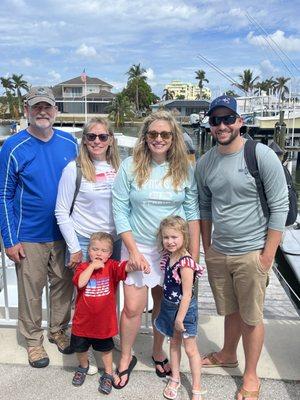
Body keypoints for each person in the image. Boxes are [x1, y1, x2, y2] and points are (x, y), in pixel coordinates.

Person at [195, 95, 289, 400]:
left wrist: (267, 255)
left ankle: (250, 375)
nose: (221, 125)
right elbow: (205, 207)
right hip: (220, 251)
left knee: (251, 316)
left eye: (227, 119)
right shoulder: (206, 162)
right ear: (210, 126)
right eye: (215, 120)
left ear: (240, 121)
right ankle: (227, 353)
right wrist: (207, 249)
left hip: (252, 251)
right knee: (230, 310)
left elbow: (279, 206)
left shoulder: (260, 155)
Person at [112, 110, 200, 388]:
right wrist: (133, 252)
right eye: (153, 134)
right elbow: (120, 210)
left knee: (165, 306)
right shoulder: (129, 166)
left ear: (173, 138)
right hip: (136, 247)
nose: (159, 139)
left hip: (172, 252)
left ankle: (157, 350)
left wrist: (192, 258)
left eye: (165, 134)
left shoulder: (184, 168)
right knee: (133, 308)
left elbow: (192, 211)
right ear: (145, 137)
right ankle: (125, 358)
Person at [0, 87, 78, 368]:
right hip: (29, 235)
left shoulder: (70, 143)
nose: (42, 112)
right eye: (36, 107)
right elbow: (4, 195)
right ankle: (33, 341)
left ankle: (58, 330)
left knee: (62, 287)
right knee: (31, 292)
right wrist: (9, 239)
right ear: (26, 110)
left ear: (56, 111)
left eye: (47, 107)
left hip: (63, 234)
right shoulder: (13, 147)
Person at [71, 232, 149, 394]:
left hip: (104, 323)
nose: (99, 253)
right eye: (95, 249)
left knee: (106, 350)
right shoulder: (83, 267)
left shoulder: (112, 266)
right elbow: (80, 283)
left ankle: (107, 373)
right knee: (80, 349)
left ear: (110, 253)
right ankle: (83, 366)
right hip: (82, 321)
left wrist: (141, 263)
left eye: (104, 250)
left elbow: (127, 266)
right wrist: (92, 267)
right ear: (89, 250)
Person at [55, 117, 121, 266]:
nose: (97, 141)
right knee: (86, 289)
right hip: (84, 240)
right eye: (91, 136)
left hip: (114, 241)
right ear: (84, 140)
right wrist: (74, 247)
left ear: (110, 140)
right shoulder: (73, 169)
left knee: (111, 289)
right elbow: (61, 211)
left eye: (103, 137)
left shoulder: (119, 169)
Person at [154, 216, 205, 400]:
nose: (170, 241)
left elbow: (187, 294)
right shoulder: (169, 256)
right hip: (169, 306)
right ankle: (175, 378)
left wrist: (179, 318)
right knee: (174, 344)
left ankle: (196, 388)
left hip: (184, 311)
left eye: (174, 237)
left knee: (191, 349)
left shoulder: (185, 262)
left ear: (184, 236)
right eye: (166, 237)